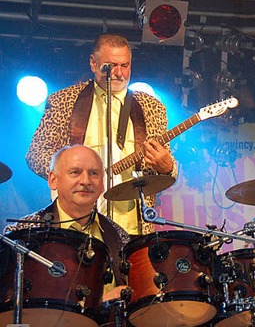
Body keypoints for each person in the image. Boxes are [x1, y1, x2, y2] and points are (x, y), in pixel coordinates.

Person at [26, 33, 177, 235]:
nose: (119, 73)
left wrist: (167, 168)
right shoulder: (65, 101)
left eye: (125, 65)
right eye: (111, 65)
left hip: (132, 228)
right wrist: (72, 175)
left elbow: (161, 169)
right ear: (93, 63)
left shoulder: (152, 107)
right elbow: (36, 153)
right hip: (74, 224)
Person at [5, 145, 129, 301]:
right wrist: (100, 302)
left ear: (103, 184)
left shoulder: (118, 235)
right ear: (53, 180)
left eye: (94, 173)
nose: (85, 181)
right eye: (75, 172)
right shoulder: (23, 232)